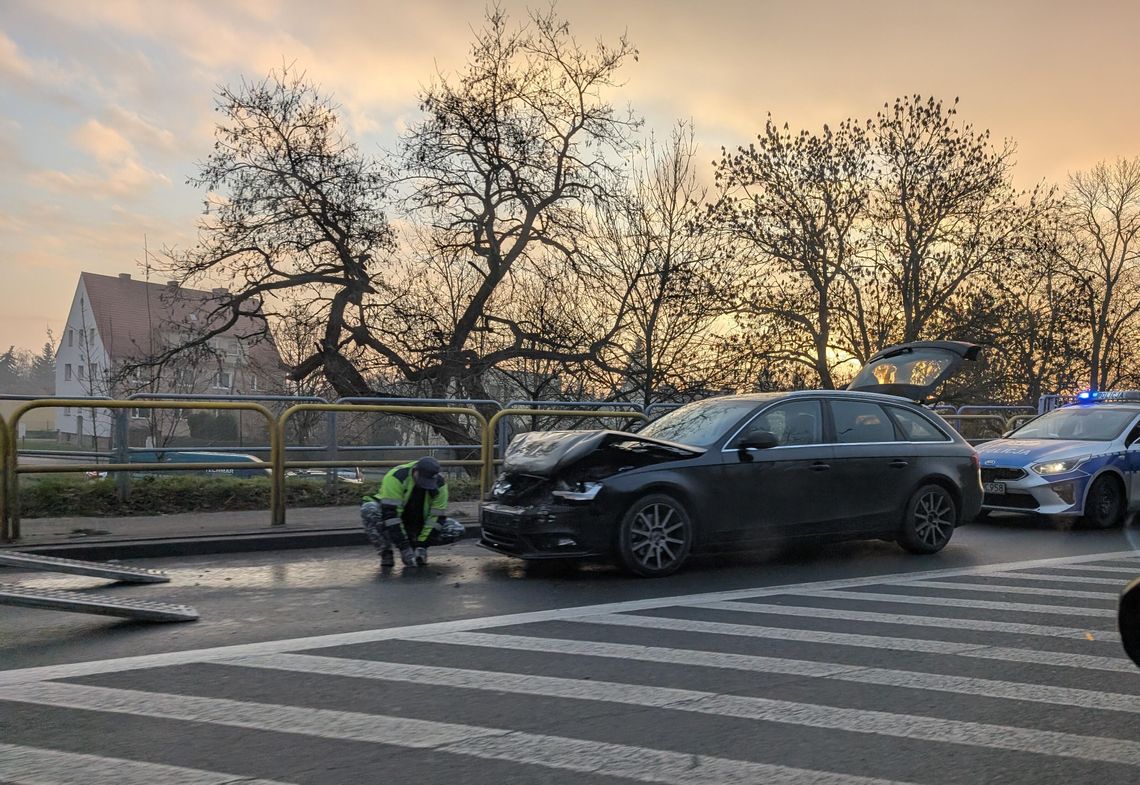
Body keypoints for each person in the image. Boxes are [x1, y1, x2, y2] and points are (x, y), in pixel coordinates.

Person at [361, 456, 464, 567]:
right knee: (369, 509)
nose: (424, 485)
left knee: (456, 529)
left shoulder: (440, 484)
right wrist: (404, 548)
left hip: (419, 523)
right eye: (423, 480)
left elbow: (436, 518)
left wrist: (422, 545)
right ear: (415, 471)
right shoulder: (396, 477)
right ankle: (386, 553)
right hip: (392, 521)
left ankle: (415, 546)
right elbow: (391, 516)